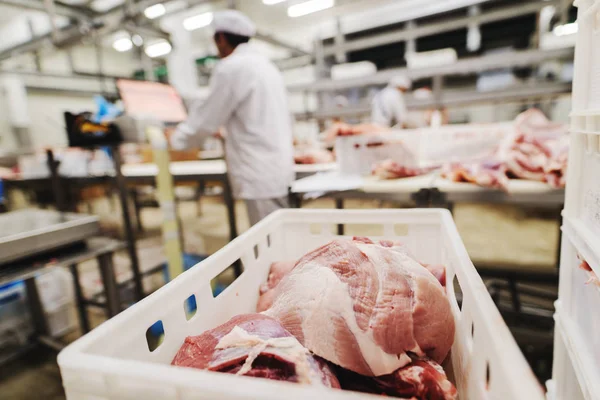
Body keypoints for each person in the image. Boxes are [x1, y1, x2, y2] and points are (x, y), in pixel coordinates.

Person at [170, 10, 294, 226]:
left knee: (269, 243)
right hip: (277, 167)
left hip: (258, 170)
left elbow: (207, 118)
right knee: (281, 235)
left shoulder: (232, 68)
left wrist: (176, 139)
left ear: (221, 38)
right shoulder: (265, 66)